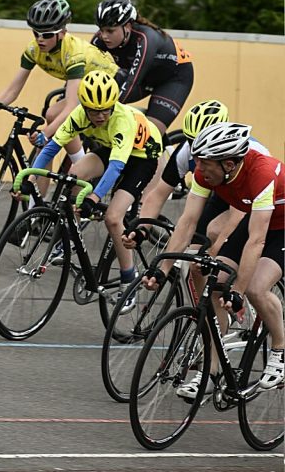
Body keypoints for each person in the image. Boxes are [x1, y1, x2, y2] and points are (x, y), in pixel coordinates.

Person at [140, 122, 284, 398]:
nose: (198, 168)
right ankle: (212, 369)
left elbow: (256, 241)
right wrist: (163, 268)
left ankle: (280, 349)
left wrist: (238, 291)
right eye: (197, 161)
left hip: (281, 226)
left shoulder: (262, 173)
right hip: (256, 219)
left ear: (228, 164)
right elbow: (188, 221)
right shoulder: (205, 173)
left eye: (204, 163)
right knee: (210, 280)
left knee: (256, 287)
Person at [23, 71, 163, 312]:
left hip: (142, 158)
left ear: (113, 105)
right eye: (94, 111)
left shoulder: (121, 119)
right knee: (74, 174)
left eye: (105, 110)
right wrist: (30, 177)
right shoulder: (79, 114)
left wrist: (94, 198)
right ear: (85, 107)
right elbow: (52, 147)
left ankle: (129, 278)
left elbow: (117, 167)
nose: (99, 116)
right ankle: (70, 237)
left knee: (113, 218)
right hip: (112, 147)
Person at [0, 0, 119, 169]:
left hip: (111, 85)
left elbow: (71, 107)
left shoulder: (73, 54)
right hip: (86, 85)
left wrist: (45, 133)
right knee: (48, 131)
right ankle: (38, 187)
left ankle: (81, 169)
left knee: (53, 116)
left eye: (46, 35)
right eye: (36, 33)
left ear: (62, 33)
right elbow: (12, 91)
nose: (40, 39)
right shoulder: (33, 50)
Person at [129, 99, 270, 249]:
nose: (196, 154)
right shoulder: (185, 152)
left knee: (216, 233)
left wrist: (215, 254)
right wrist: (142, 230)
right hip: (222, 195)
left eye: (204, 145)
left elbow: (237, 217)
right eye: (192, 142)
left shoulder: (246, 153)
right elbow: (158, 195)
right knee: (195, 245)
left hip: (255, 201)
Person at [92, 0, 194, 136]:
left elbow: (132, 82)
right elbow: (86, 66)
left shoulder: (146, 38)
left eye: (110, 31)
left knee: (149, 135)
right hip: (146, 77)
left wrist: (105, 111)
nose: (104, 36)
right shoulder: (101, 38)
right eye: (101, 29)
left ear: (127, 26)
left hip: (173, 79)